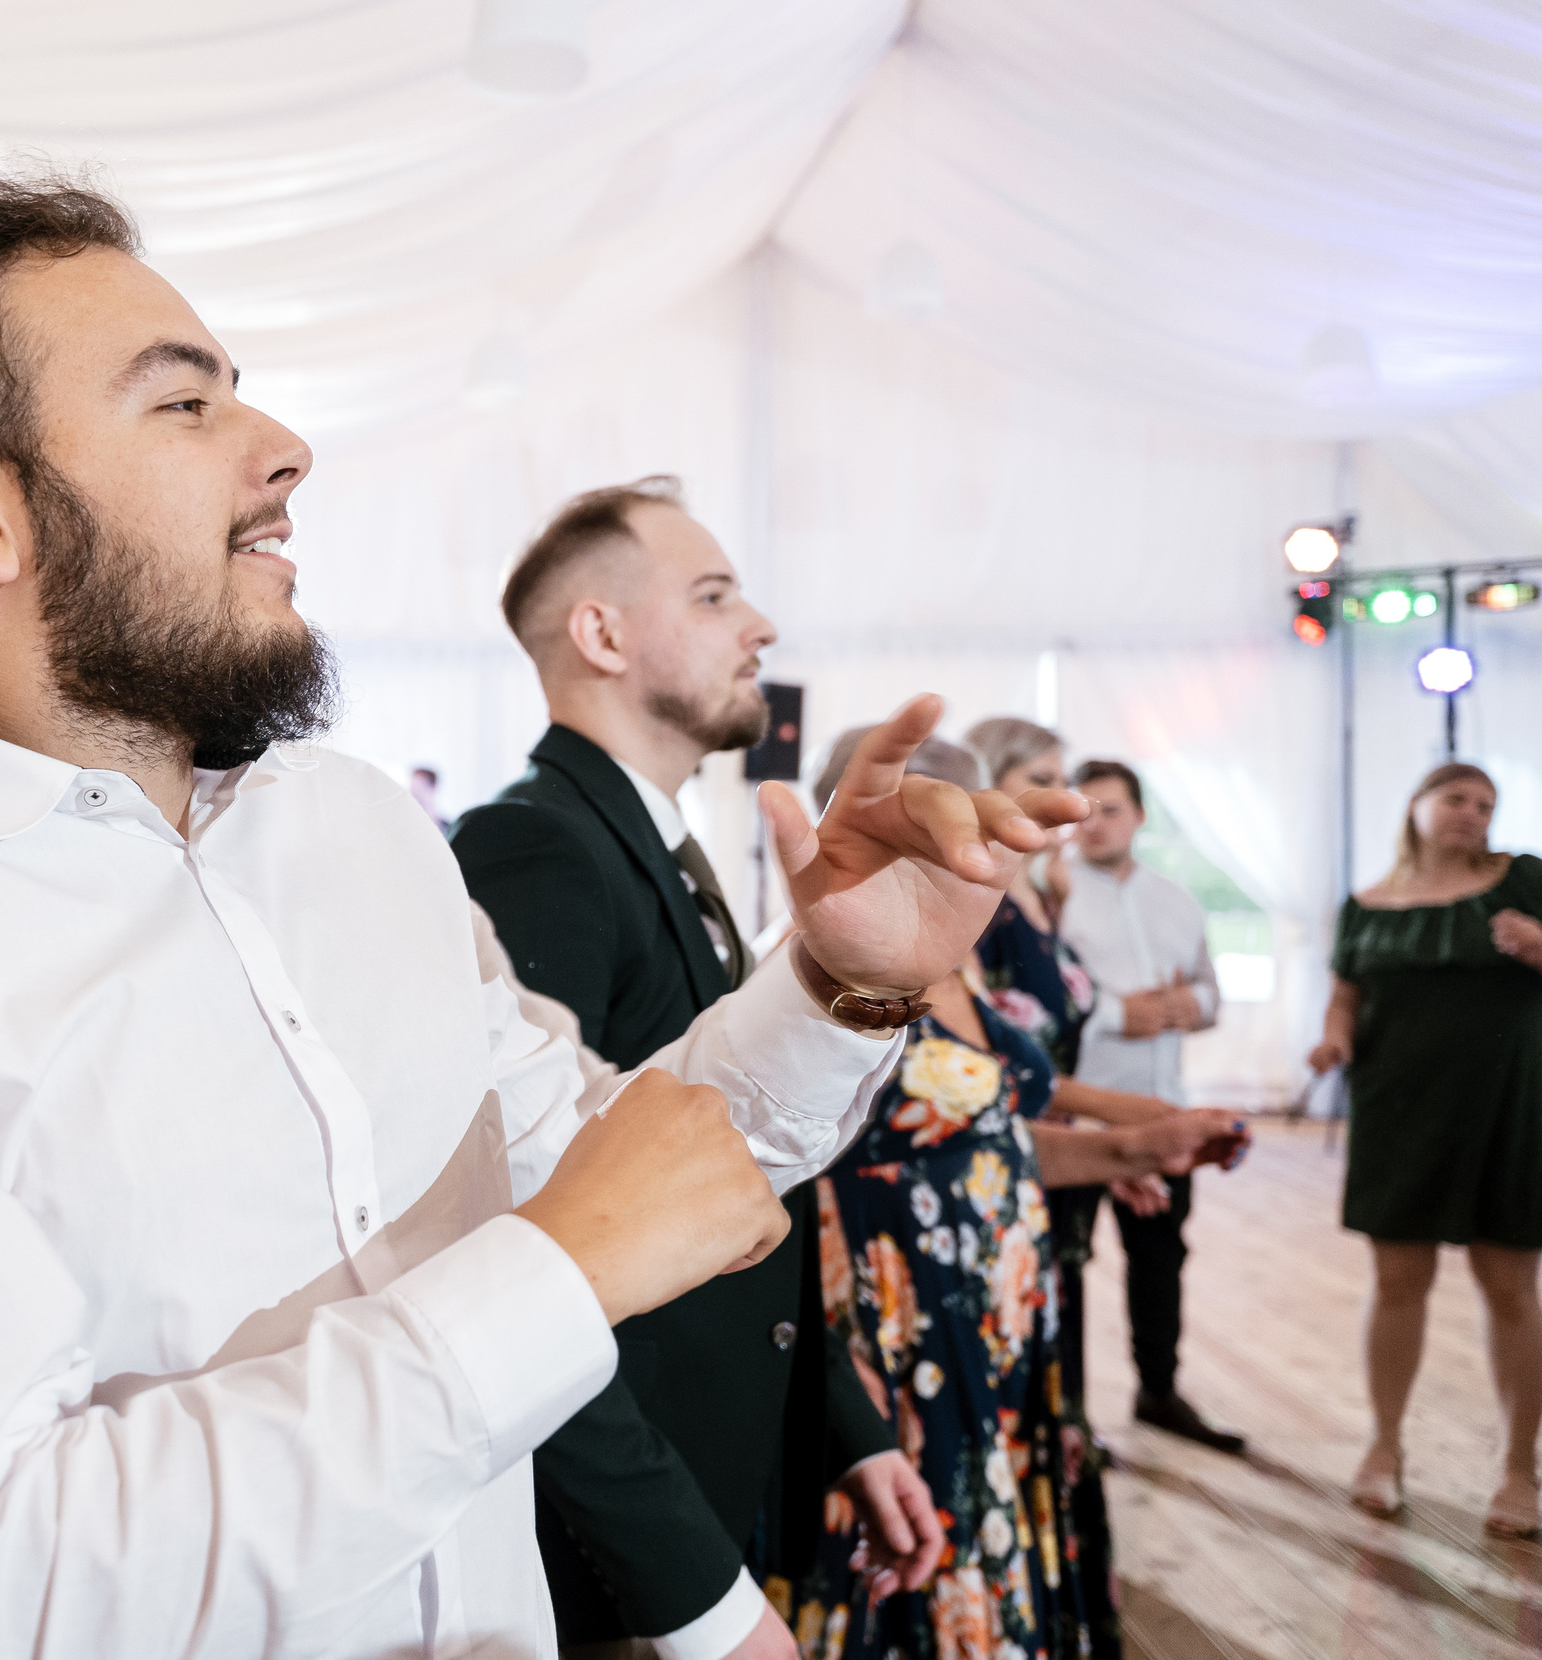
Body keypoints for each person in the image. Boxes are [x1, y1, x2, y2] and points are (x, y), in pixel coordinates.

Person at [0, 171, 1084, 1660]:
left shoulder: (352, 826)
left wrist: (838, 988)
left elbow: (627, 1157)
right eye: (185, 402)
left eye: (243, 392)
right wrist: (551, 1277)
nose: (283, 449)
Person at [452, 480, 955, 1660]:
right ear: (603, 633)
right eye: (716, 593)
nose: (761, 628)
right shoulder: (537, 846)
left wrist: (846, 1426)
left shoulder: (657, 846)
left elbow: (738, 1171)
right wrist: (678, 1587)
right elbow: (516, 1231)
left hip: (714, 1454)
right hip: (609, 1532)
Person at [790, 738, 1250, 1660]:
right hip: (904, 1320)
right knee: (915, 1565)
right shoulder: (833, 962)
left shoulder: (952, 961)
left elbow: (990, 1141)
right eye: (976, 813)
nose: (999, 836)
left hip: (998, 1309)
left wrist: (1134, 1142)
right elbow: (800, 1162)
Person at [1309, 762, 1542, 1537]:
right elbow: (1346, 995)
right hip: (1398, 1107)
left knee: (1510, 1284)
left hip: (1508, 1108)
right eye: (1456, 798)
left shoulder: (1525, 880)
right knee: (1398, 1279)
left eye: (1485, 803)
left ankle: (1519, 1469)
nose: (1472, 813)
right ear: (1416, 806)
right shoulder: (1364, 905)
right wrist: (1333, 1041)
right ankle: (1384, 1447)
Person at [1058, 757, 1242, 1453]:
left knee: (1161, 1258)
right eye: (1086, 809)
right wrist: (1116, 1013)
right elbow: (1041, 1000)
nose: (1097, 823)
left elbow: (1211, 994)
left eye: (1112, 809)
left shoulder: (1176, 899)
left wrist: (1182, 1005)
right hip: (1074, 1116)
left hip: (1164, 1112)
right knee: (1064, 1266)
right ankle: (1067, 1413)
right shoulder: (1054, 893)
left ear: (1138, 817)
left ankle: (1159, 1390)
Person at [962, 717, 1102, 1404]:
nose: (1061, 797)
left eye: (1063, 780)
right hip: (1013, 1144)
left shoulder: (1043, 894)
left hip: (1066, 1139)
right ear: (991, 786)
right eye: (1039, 781)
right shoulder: (980, 905)